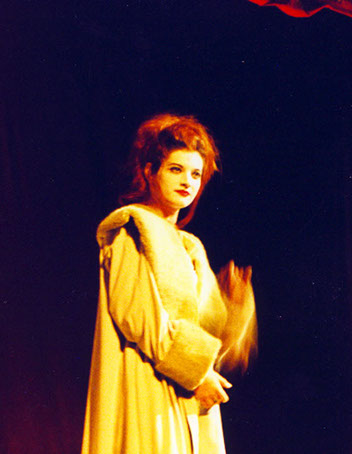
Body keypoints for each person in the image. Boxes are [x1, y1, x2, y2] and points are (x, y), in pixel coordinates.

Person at [82, 113, 256, 454]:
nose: (187, 181)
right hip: (148, 387)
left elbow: (209, 337)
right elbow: (139, 319)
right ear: (150, 171)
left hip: (187, 393)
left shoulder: (189, 245)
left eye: (196, 174)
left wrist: (234, 307)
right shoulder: (133, 230)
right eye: (176, 169)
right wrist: (199, 374)